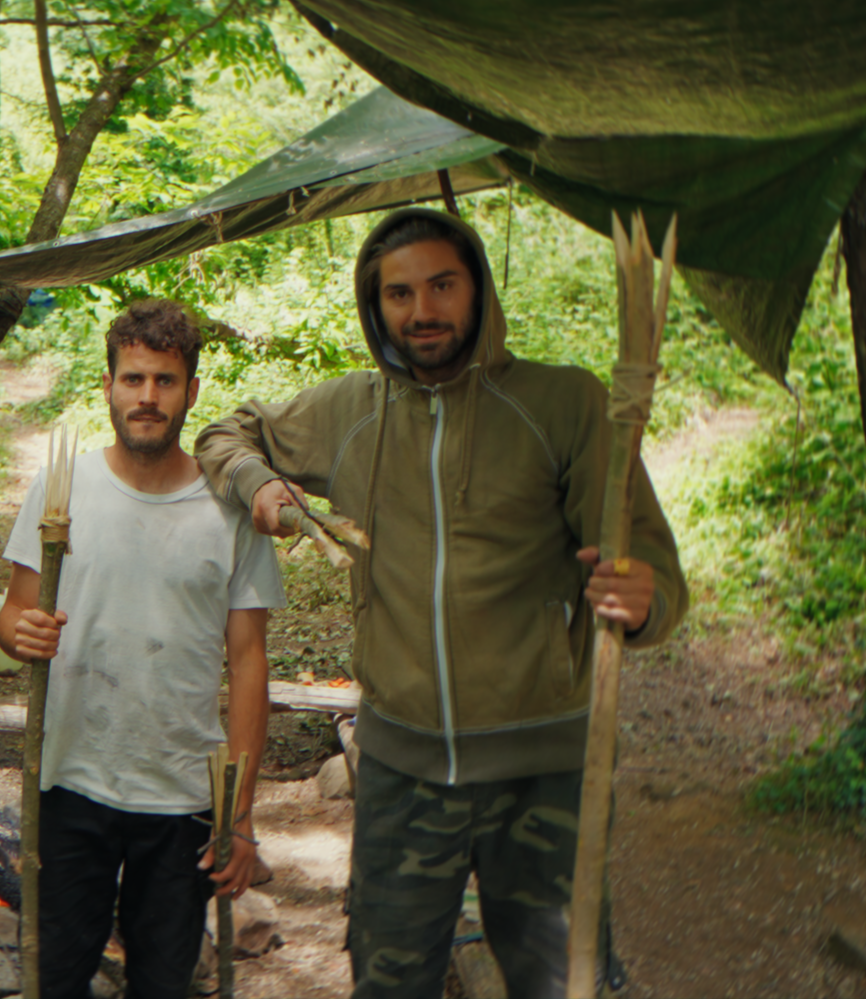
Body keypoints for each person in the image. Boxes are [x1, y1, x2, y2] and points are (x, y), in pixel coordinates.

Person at [195, 207, 688, 998]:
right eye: (398, 293)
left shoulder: (563, 404)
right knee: (388, 979)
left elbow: (649, 564)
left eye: (441, 285)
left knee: (562, 981)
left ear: (478, 290)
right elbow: (223, 433)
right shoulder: (348, 412)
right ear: (374, 304)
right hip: (400, 766)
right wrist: (261, 486)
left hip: (543, 766)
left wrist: (643, 597)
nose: (421, 311)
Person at [0, 300, 285, 999]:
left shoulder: (227, 508)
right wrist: (19, 633)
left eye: (163, 380)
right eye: (132, 379)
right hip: (70, 780)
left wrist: (238, 816)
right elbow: (11, 616)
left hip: (183, 795)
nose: (146, 397)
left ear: (190, 389)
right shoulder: (64, 488)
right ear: (107, 385)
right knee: (56, 975)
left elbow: (248, 662)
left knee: (163, 982)